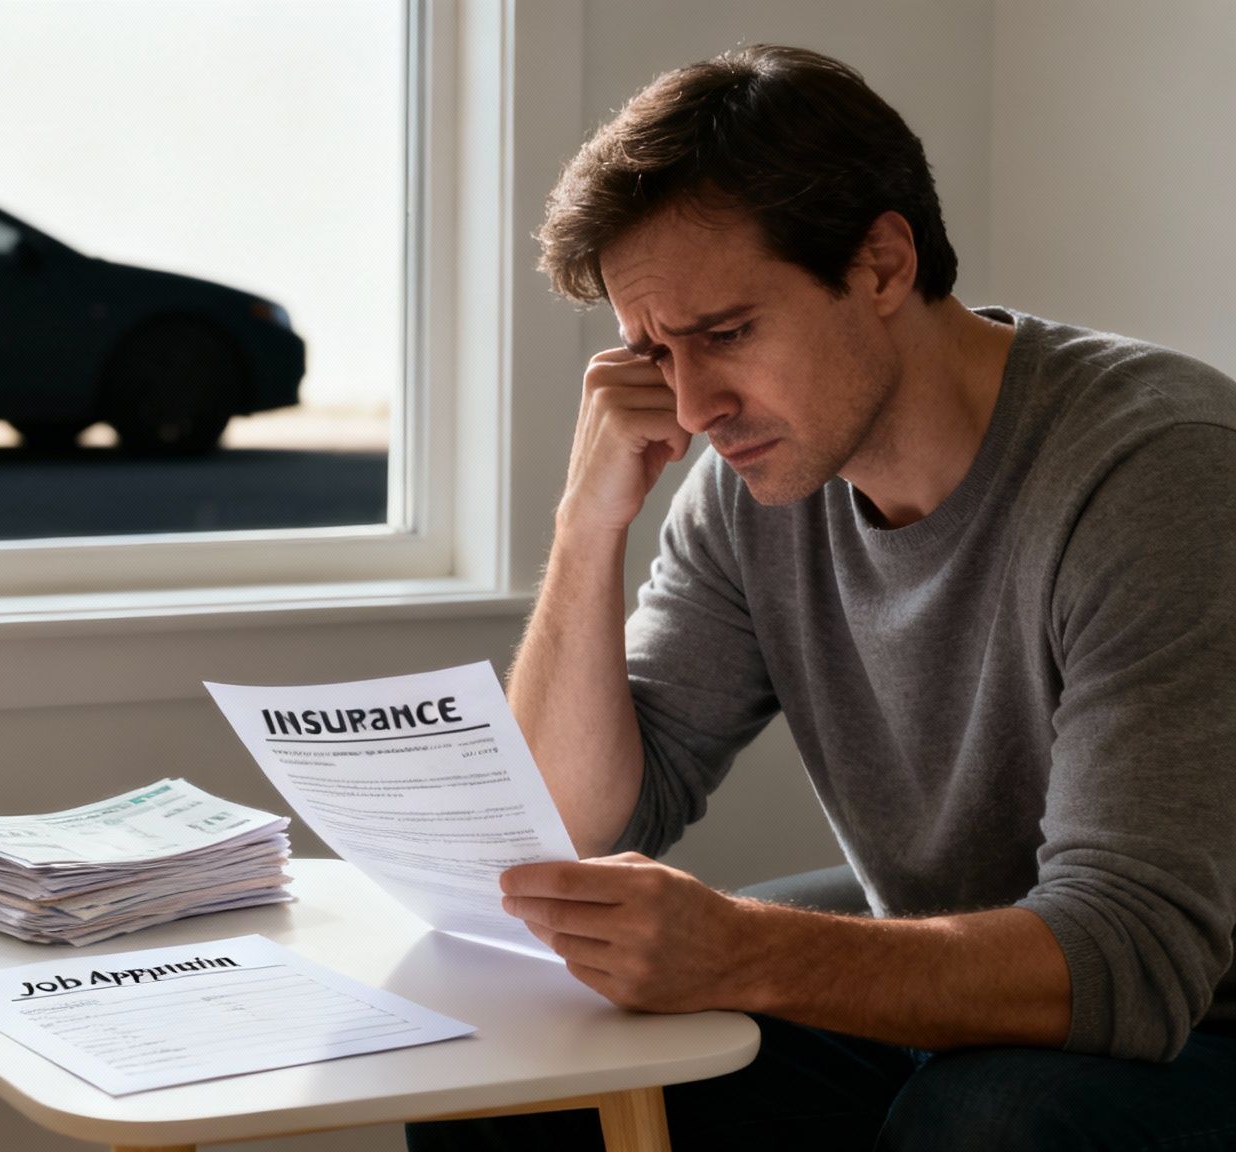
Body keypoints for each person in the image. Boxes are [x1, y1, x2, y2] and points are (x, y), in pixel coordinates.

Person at [409, 44, 1236, 1152]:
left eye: (725, 334)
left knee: (989, 1124)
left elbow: (1124, 957)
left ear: (881, 264)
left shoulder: (1156, 473)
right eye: (653, 352)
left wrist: (742, 948)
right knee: (508, 1077)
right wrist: (584, 523)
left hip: (1190, 1010)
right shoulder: (755, 483)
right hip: (971, 964)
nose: (692, 405)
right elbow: (569, 826)